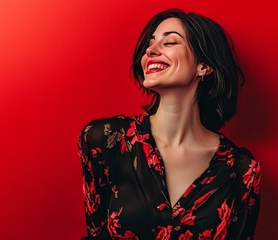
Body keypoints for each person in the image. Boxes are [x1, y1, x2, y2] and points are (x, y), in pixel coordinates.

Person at [78, 8, 261, 239]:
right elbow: (96, 232)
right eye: (151, 43)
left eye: (170, 42)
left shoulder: (241, 170)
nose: (150, 50)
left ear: (203, 66)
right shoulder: (105, 139)